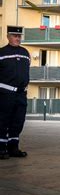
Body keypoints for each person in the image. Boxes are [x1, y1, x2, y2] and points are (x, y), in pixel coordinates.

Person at [0, 26, 30, 160]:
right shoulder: (1, 53)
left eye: (19, 36)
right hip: (5, 94)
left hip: (21, 94)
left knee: (18, 121)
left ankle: (13, 147)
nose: (17, 38)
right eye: (14, 36)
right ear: (8, 37)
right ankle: (1, 148)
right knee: (3, 121)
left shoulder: (25, 53)